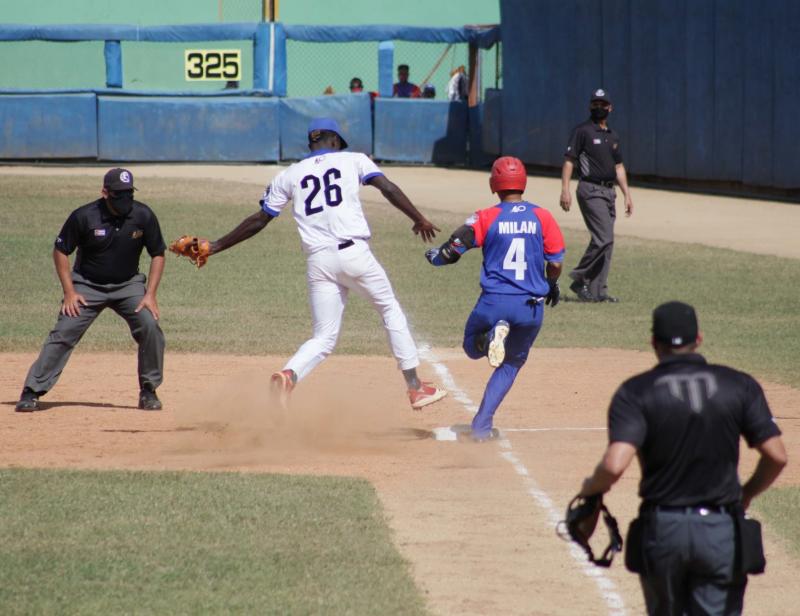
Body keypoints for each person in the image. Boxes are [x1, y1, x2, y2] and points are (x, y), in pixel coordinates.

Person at [186, 118, 447, 410]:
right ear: (334, 141)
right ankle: (415, 387)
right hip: (355, 254)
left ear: (312, 143)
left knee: (323, 337)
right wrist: (418, 218)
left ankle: (289, 374)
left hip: (318, 262)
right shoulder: (354, 160)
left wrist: (216, 245)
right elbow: (387, 188)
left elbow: (259, 219)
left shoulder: (289, 174)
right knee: (389, 308)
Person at [576, 301, 787, 615]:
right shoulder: (738, 385)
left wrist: (591, 490)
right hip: (720, 529)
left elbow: (614, 464)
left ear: (653, 343)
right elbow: (777, 456)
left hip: (663, 531)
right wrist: (746, 493)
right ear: (698, 339)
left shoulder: (635, 392)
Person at [424, 156, 564, 441]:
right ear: (523, 182)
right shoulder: (542, 216)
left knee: (471, 348)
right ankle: (482, 426)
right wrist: (550, 283)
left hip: (494, 303)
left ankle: (488, 339)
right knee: (511, 363)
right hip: (531, 307)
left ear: (494, 185)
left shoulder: (486, 216)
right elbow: (557, 262)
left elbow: (452, 251)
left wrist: (434, 257)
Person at [15, 168, 167, 412]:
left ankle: (148, 390)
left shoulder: (143, 215)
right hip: (87, 285)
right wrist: (69, 292)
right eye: (118, 194)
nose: (124, 199)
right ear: (105, 192)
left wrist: (150, 294)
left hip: (128, 285)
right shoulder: (84, 216)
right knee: (64, 331)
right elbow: (61, 250)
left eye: (128, 193)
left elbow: (158, 253)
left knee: (149, 325)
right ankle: (32, 390)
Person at [560, 88, 634, 303]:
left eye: (603, 104)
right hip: (590, 190)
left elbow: (619, 166)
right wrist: (565, 189)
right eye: (595, 104)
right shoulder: (582, 131)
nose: (599, 107)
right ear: (590, 106)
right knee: (604, 238)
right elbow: (569, 161)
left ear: (610, 108)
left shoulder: (613, 136)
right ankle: (579, 277)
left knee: (607, 243)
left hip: (609, 192)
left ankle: (597, 291)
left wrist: (627, 194)